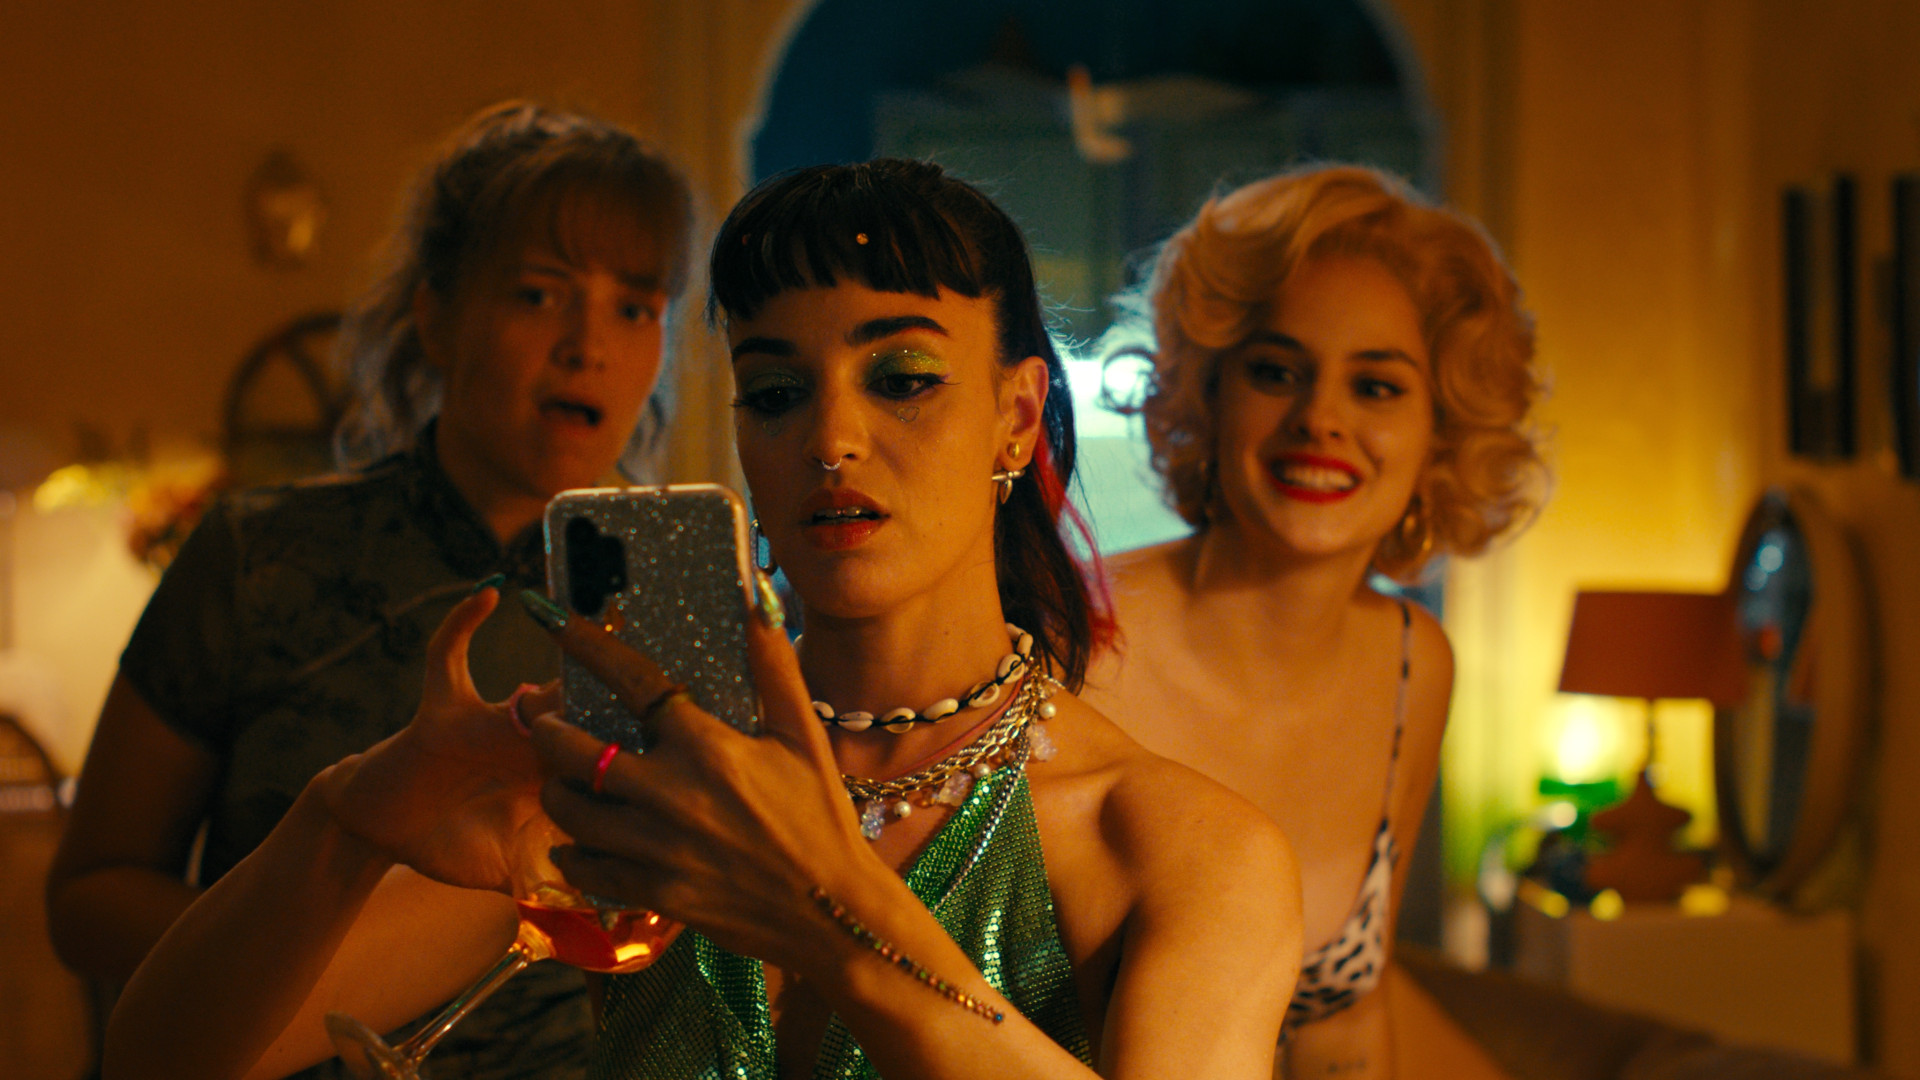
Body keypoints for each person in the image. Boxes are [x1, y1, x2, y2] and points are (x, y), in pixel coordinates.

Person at [101, 158, 1302, 1080]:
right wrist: (343, 819)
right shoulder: (655, 780)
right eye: (775, 391)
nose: (831, 437)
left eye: (901, 379)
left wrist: (834, 921)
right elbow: (161, 1061)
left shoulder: (1176, 847)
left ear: (1017, 415)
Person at [49, 100, 694, 1080]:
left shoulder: (667, 594)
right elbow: (89, 896)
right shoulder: (260, 555)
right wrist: (300, 957)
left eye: (635, 309)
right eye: (538, 294)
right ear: (436, 316)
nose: (588, 345)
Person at [1082, 164, 1545, 1079]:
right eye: (1276, 372)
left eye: (1376, 387)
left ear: (1441, 432)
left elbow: (1346, 1027)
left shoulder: (1415, 663)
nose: (1320, 417)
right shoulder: (1068, 635)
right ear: (1208, 395)